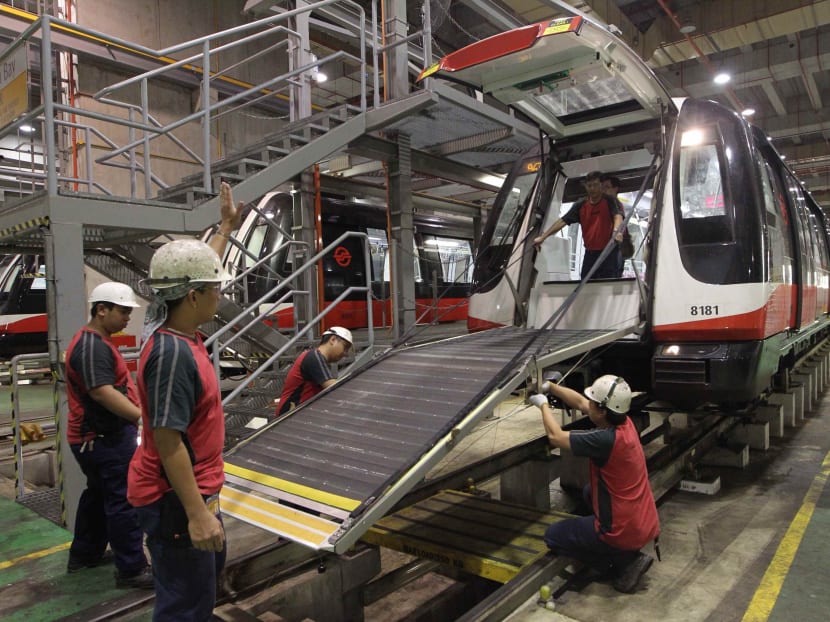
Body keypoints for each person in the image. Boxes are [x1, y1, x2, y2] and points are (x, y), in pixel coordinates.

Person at [128, 181, 241, 621]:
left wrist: (226, 228)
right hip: (174, 499)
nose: (219, 294)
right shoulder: (173, 355)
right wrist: (196, 514)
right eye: (214, 289)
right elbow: (168, 440)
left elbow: (195, 271)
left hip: (191, 491)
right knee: (186, 606)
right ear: (193, 297)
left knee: (199, 588)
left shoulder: (172, 322)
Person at [527, 373, 659, 593]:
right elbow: (580, 402)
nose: (588, 404)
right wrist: (550, 387)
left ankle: (621, 563)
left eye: (593, 403)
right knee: (589, 491)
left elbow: (556, 437)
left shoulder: (605, 440)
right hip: (642, 520)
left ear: (603, 411)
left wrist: (543, 405)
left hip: (621, 529)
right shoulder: (623, 422)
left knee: (553, 535)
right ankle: (623, 552)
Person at [64, 281, 154, 589]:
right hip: (103, 439)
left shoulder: (96, 342)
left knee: (98, 495)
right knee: (123, 500)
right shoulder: (92, 347)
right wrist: (142, 419)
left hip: (95, 439)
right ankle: (132, 569)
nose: (128, 318)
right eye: (123, 312)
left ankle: (84, 554)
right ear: (101, 310)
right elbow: (102, 392)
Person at [533, 171, 624, 280]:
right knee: (585, 283)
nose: (592, 188)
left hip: (609, 252)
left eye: (595, 185)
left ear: (601, 185)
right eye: (589, 185)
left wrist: (617, 231)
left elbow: (618, 216)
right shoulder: (580, 204)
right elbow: (563, 221)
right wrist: (543, 237)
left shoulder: (610, 201)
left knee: (608, 283)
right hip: (590, 254)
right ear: (585, 187)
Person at [276, 326, 353, 416]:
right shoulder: (314, 357)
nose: (345, 353)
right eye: (345, 347)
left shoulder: (315, 357)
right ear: (333, 339)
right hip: (288, 415)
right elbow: (334, 387)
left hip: (297, 414)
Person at [600, 174, 626, 278]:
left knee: (609, 278)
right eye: (602, 187)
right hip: (606, 249)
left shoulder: (615, 204)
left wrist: (616, 233)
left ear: (615, 189)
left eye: (607, 187)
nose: (603, 190)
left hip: (613, 248)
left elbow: (618, 222)